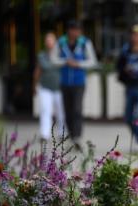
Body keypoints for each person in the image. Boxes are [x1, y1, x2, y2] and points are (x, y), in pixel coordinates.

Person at [51, 20, 97, 150]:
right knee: (68, 110)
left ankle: (77, 137)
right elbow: (53, 60)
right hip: (64, 82)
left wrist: (78, 64)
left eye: (78, 30)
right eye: (73, 30)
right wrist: (65, 62)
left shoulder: (85, 43)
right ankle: (71, 136)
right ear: (69, 31)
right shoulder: (61, 43)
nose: (75, 33)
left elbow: (92, 61)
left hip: (79, 82)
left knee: (77, 109)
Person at [33, 32, 65, 142]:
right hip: (45, 87)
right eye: (47, 41)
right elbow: (38, 71)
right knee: (45, 110)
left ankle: (62, 133)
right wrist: (34, 85)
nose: (49, 43)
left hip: (59, 88)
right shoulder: (42, 56)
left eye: (51, 40)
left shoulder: (61, 55)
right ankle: (44, 134)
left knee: (60, 111)